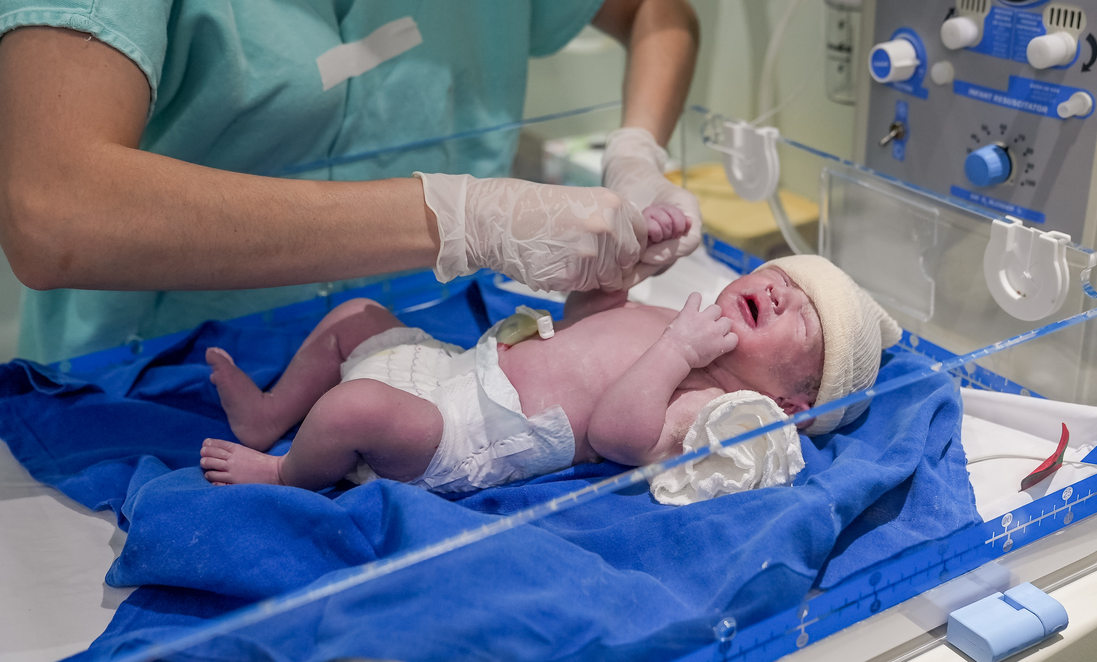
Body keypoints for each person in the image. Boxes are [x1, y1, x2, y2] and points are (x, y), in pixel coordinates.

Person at [0, 0, 702, 364]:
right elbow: (52, 210)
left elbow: (658, 11)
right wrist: (463, 218)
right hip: (156, 379)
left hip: (430, 350)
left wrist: (636, 153)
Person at [199, 224, 903, 493]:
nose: (780, 294)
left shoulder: (712, 403)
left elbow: (618, 435)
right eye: (782, 279)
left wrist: (675, 354)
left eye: (802, 318)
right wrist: (610, 283)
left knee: (353, 409)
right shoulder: (676, 320)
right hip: (457, 369)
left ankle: (286, 473)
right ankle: (268, 416)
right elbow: (585, 329)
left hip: (465, 432)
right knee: (357, 316)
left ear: (790, 404)